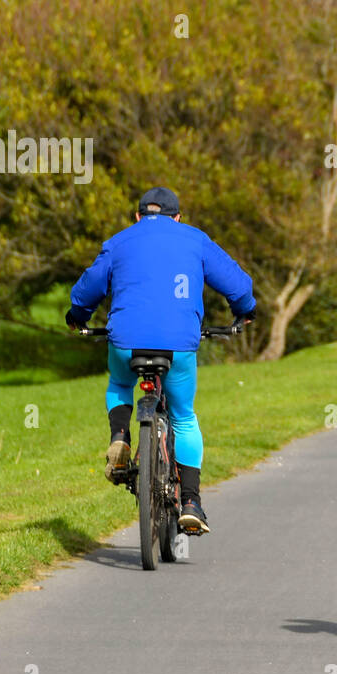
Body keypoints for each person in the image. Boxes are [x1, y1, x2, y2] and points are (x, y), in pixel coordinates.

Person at [65, 187, 256, 535]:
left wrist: (78, 315)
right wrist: (244, 313)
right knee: (183, 416)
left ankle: (121, 436)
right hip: (178, 346)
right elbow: (238, 286)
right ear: (178, 217)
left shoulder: (120, 241)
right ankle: (192, 502)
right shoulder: (195, 240)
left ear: (138, 216)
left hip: (126, 342)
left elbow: (87, 288)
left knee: (120, 383)